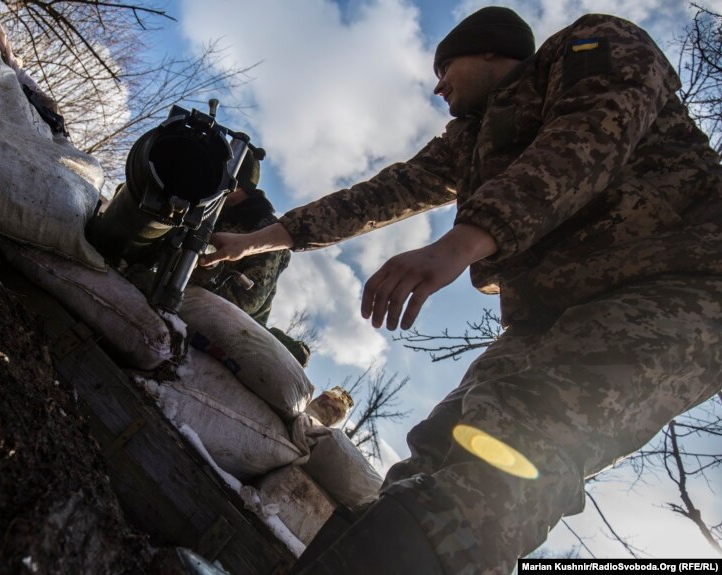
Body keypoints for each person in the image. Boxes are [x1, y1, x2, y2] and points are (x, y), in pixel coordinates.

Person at [202, 6, 722, 574]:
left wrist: (462, 243)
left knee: (524, 442)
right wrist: (256, 242)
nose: (437, 83)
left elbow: (593, 131)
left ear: (492, 52)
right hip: (553, 311)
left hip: (687, 279)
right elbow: (380, 195)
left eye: (446, 65)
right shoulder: (467, 141)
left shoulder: (590, 45)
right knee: (442, 445)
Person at [192, 149, 312, 366]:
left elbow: (247, 301)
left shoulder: (266, 232)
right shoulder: (208, 207)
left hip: (233, 324)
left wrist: (190, 276)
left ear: (236, 186)